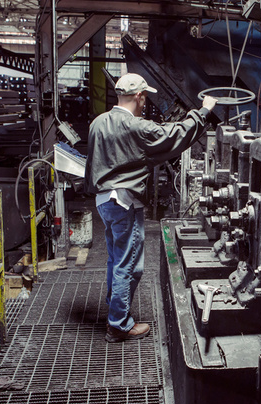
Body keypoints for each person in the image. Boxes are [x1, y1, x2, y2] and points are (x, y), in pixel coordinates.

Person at [85, 73, 217, 342]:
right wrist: (203, 111)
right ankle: (119, 325)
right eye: (144, 97)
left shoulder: (98, 123)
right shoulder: (136, 127)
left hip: (104, 201)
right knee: (129, 266)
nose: (145, 102)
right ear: (139, 96)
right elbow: (174, 135)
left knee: (115, 260)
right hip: (124, 202)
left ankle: (115, 313)